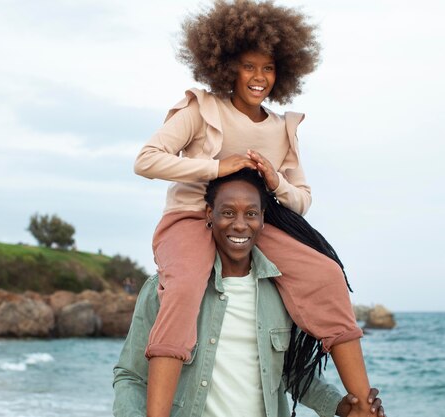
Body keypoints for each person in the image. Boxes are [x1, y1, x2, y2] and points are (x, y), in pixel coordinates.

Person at [133, 1, 375, 416]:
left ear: (282, 72)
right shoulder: (201, 110)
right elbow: (147, 159)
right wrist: (216, 166)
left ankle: (363, 406)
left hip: (254, 224)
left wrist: (275, 180)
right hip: (191, 217)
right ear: (228, 67)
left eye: (268, 68)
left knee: (326, 273)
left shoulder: (283, 129)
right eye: (249, 66)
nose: (259, 77)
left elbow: (301, 200)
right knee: (188, 283)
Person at [113, 169, 386, 417]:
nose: (240, 225)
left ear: (263, 218)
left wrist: (340, 406)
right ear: (210, 214)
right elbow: (131, 375)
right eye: (228, 212)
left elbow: (289, 373)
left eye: (251, 213)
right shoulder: (168, 290)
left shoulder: (282, 289)